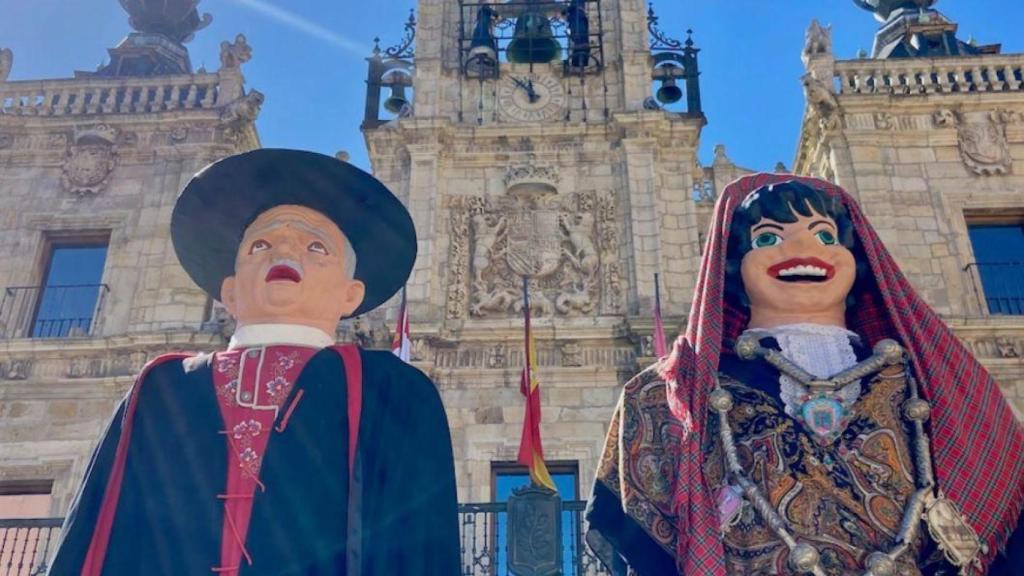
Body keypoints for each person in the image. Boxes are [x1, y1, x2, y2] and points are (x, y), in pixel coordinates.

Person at [586, 173, 1024, 575]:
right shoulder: (666, 396)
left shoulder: (937, 389)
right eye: (769, 236)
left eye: (826, 235)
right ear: (734, 266)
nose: (801, 249)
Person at [50, 149, 461, 575]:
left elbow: (421, 548)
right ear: (228, 292)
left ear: (350, 295)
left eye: (315, 246)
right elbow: (96, 534)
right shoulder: (162, 389)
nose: (282, 250)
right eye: (260, 244)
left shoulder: (395, 391)